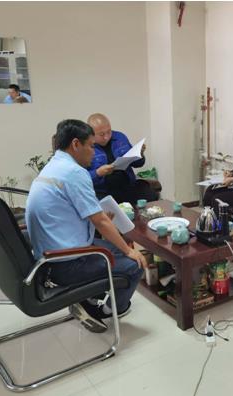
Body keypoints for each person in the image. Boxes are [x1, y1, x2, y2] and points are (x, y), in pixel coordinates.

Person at [25, 119, 147, 333]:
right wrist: (130, 251)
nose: (93, 151)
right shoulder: (73, 172)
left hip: (49, 258)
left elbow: (74, 212)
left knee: (118, 249)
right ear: (75, 144)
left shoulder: (54, 166)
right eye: (91, 145)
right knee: (134, 264)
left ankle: (89, 296)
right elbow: (100, 221)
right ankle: (106, 310)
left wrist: (104, 224)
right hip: (66, 263)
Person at [86, 113, 157, 204]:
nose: (107, 137)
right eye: (101, 134)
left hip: (127, 185)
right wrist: (98, 173)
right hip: (104, 191)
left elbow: (138, 164)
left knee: (150, 194)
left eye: (109, 131)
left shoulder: (120, 137)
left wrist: (140, 154)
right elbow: (82, 178)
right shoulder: (86, 147)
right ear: (91, 134)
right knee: (106, 206)